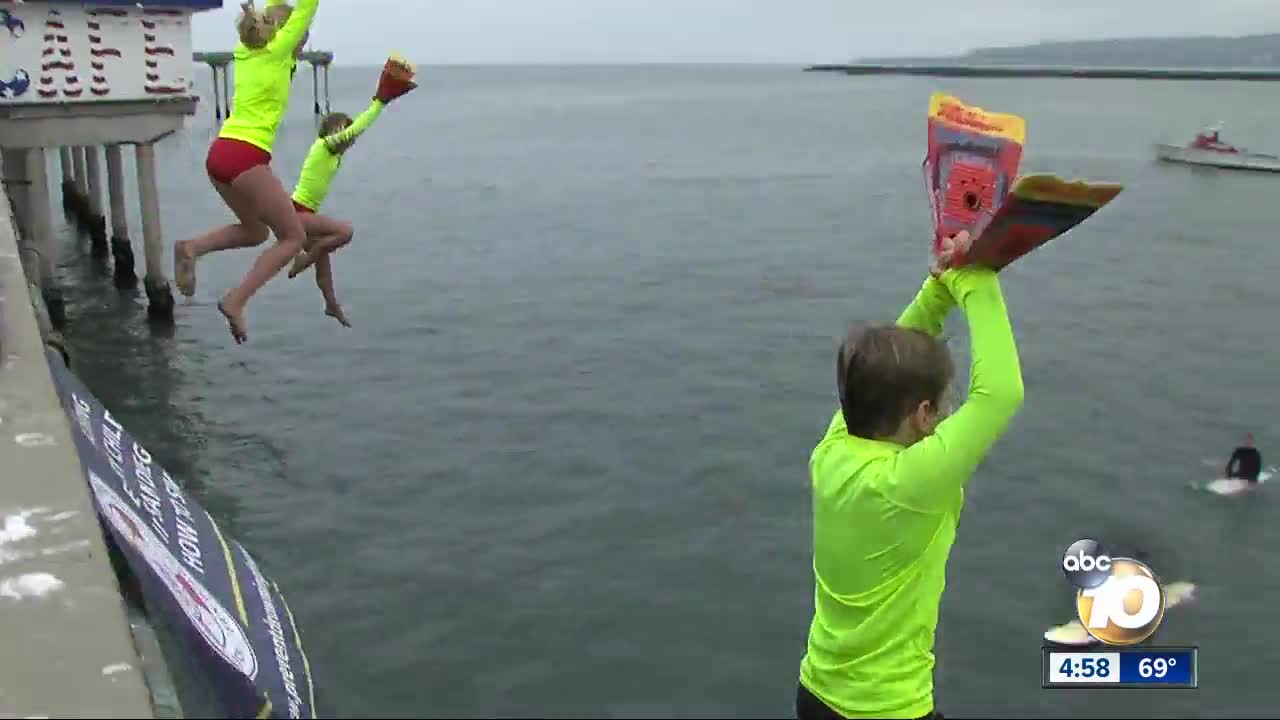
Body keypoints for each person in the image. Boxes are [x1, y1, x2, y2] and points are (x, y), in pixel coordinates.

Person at [796, 231, 1025, 720]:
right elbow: (1000, 395)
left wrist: (938, 290)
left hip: (816, 696)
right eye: (940, 410)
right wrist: (977, 278)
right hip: (887, 711)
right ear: (922, 414)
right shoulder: (909, 483)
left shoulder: (833, 451)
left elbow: (880, 375)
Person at [171, 0, 319, 344]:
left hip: (220, 153)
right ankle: (236, 301)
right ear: (287, 35)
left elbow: (272, 13)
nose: (304, 44)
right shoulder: (278, 51)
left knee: (255, 233)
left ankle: (192, 247)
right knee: (293, 237)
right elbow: (306, 8)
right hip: (245, 156)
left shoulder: (245, 52)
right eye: (302, 37)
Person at [281, 98, 395, 328]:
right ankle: (303, 260)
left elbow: (356, 132)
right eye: (346, 131)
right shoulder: (323, 146)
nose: (350, 137)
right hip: (297, 212)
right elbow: (359, 127)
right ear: (334, 131)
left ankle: (331, 305)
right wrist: (379, 103)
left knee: (324, 265)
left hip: (304, 213)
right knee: (345, 232)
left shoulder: (334, 154)